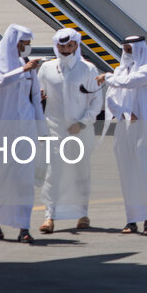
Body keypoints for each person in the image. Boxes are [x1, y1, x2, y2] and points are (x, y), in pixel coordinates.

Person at [0, 24, 45, 244]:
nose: (26, 48)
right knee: (1, 178)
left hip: (25, 129)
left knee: (23, 179)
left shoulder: (24, 66)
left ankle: (23, 227)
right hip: (2, 131)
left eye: (28, 44)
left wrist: (42, 130)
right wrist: (23, 70)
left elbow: (35, 98)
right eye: (24, 43)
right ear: (13, 42)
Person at [96, 35, 147, 236]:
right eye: (125, 49)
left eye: (130, 49)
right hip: (124, 128)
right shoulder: (119, 72)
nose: (127, 53)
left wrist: (107, 77)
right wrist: (125, 112)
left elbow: (129, 83)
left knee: (144, 173)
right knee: (127, 175)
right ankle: (131, 219)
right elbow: (111, 99)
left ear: (139, 49)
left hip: (144, 127)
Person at [38, 28, 102, 233]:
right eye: (61, 46)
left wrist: (83, 123)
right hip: (54, 129)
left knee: (80, 172)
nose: (65, 50)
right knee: (53, 173)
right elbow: (37, 97)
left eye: (69, 45)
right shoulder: (46, 69)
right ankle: (50, 216)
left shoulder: (88, 69)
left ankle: (82, 214)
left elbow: (96, 102)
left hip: (80, 131)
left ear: (76, 45)